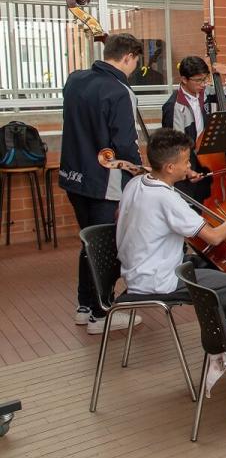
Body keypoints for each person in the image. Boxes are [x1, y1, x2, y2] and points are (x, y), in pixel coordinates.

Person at [60, 33, 146, 334]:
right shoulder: (119, 91)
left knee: (88, 241)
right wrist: (140, 169)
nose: (134, 68)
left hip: (73, 176)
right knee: (106, 246)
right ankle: (101, 313)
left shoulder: (75, 80)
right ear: (128, 57)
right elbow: (124, 142)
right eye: (136, 62)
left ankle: (85, 306)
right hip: (104, 180)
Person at [115, 129, 226, 314]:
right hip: (160, 281)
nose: (189, 165)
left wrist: (184, 172)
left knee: (212, 264)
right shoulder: (167, 199)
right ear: (169, 167)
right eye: (185, 162)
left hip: (138, 271)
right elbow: (214, 237)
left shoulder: (135, 183)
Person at [161, 56, 226, 202]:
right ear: (184, 79)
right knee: (192, 206)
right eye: (198, 80)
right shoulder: (174, 106)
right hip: (188, 163)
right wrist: (187, 170)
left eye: (205, 79)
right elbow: (174, 146)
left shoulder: (206, 93)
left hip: (208, 160)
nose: (203, 84)